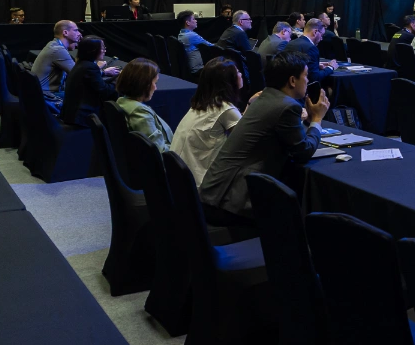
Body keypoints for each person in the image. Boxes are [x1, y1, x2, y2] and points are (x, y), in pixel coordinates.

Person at [199, 54, 329, 225]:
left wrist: (309, 121)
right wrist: (317, 120)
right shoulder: (287, 106)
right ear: (292, 80)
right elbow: (303, 151)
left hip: (213, 193)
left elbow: (288, 137)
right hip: (229, 202)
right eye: (305, 76)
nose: (308, 80)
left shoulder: (265, 97)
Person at [169, 59, 244, 187]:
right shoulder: (226, 109)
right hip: (200, 187)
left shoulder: (201, 104)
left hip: (178, 181)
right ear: (227, 81)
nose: (241, 74)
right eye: (237, 72)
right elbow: (247, 139)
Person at [115, 59, 175, 151]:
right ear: (144, 84)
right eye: (155, 83)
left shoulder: (121, 102)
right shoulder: (139, 112)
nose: (155, 88)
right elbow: (159, 151)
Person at [59, 37, 118, 127]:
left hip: (70, 114)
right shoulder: (90, 67)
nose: (105, 51)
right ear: (93, 50)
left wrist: (115, 78)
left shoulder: (82, 63)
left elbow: (99, 84)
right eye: (102, 48)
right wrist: (119, 82)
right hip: (82, 118)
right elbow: (104, 91)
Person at [32, 20, 83, 103]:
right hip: (46, 96)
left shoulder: (54, 45)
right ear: (65, 33)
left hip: (41, 93)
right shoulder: (58, 50)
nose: (79, 34)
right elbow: (79, 74)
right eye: (76, 30)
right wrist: (101, 70)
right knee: (87, 97)